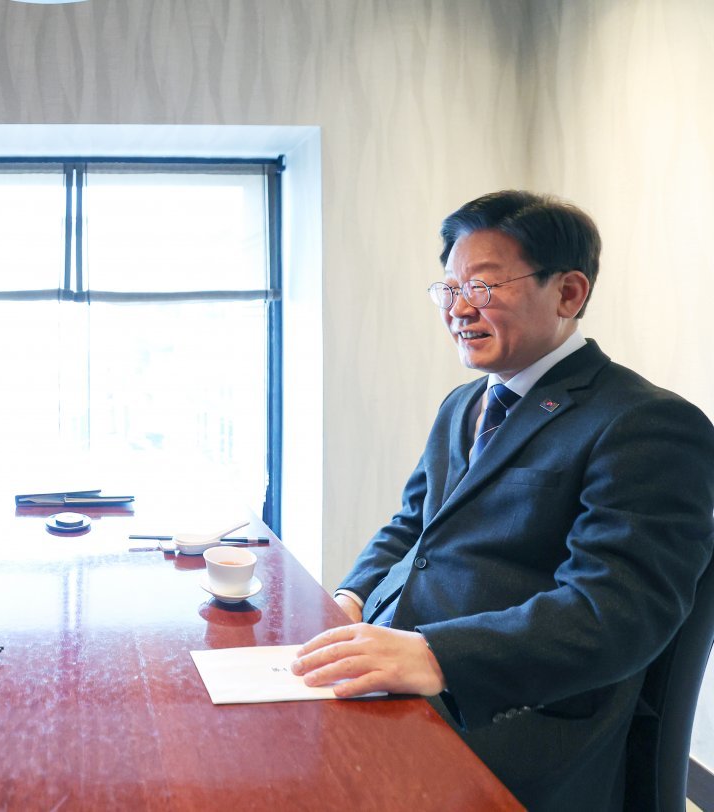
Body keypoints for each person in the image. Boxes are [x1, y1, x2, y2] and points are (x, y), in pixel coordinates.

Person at [290, 190, 714, 810]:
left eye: (484, 289)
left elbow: (615, 610)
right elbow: (414, 526)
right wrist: (351, 600)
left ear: (569, 293)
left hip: (515, 715)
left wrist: (436, 656)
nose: (459, 309)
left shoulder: (646, 423)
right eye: (449, 289)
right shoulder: (463, 405)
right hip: (405, 675)